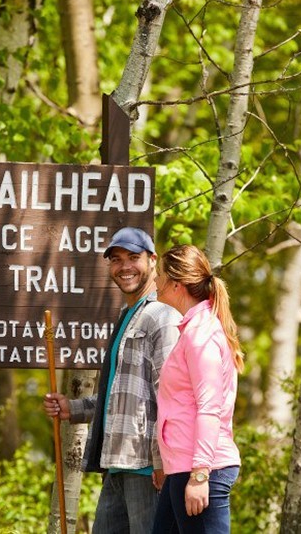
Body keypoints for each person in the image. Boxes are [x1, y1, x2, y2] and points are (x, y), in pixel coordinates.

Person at [43, 226, 182, 534]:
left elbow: (170, 398)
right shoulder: (127, 315)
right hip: (117, 462)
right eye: (116, 259)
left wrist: (162, 462)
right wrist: (73, 409)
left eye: (134, 257)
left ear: (152, 261)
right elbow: (119, 397)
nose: (125, 267)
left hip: (146, 466)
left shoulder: (164, 317)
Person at [151, 244, 244, 534]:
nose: (154, 281)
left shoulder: (201, 334)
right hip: (182, 466)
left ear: (175, 284)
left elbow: (208, 406)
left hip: (203, 468)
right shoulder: (192, 330)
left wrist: (201, 475)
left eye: (159, 275)